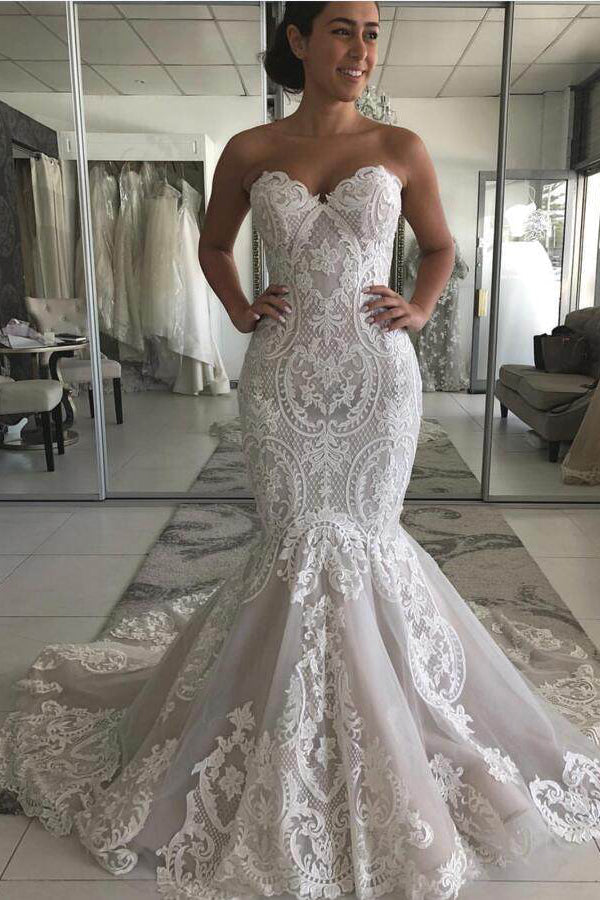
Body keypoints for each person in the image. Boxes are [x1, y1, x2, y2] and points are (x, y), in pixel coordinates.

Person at [1, 4, 599, 899]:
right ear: (298, 39)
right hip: (281, 379)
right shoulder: (250, 148)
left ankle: (391, 720)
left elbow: (439, 247)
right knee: (291, 544)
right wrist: (242, 310)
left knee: (365, 541)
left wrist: (420, 307)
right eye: (342, 30)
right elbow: (212, 245)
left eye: (372, 33)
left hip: (376, 381)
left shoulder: (400, 146)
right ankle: (273, 719)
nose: (360, 49)